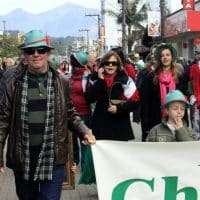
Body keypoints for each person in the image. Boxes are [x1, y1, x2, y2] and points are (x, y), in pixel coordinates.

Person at [0, 30, 95, 200]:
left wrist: (84, 130)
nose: (36, 54)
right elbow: (3, 120)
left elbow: (69, 113)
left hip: (53, 156)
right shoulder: (11, 80)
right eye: (30, 51)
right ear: (24, 54)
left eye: (41, 50)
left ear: (48, 52)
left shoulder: (61, 81)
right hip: (23, 156)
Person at [139, 43, 188, 141]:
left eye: (167, 55)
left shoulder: (180, 76)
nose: (165, 58)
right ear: (159, 58)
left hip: (177, 119)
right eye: (162, 55)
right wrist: (146, 125)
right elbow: (145, 102)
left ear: (172, 57)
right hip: (156, 119)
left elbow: (183, 100)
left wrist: (185, 123)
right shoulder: (150, 77)